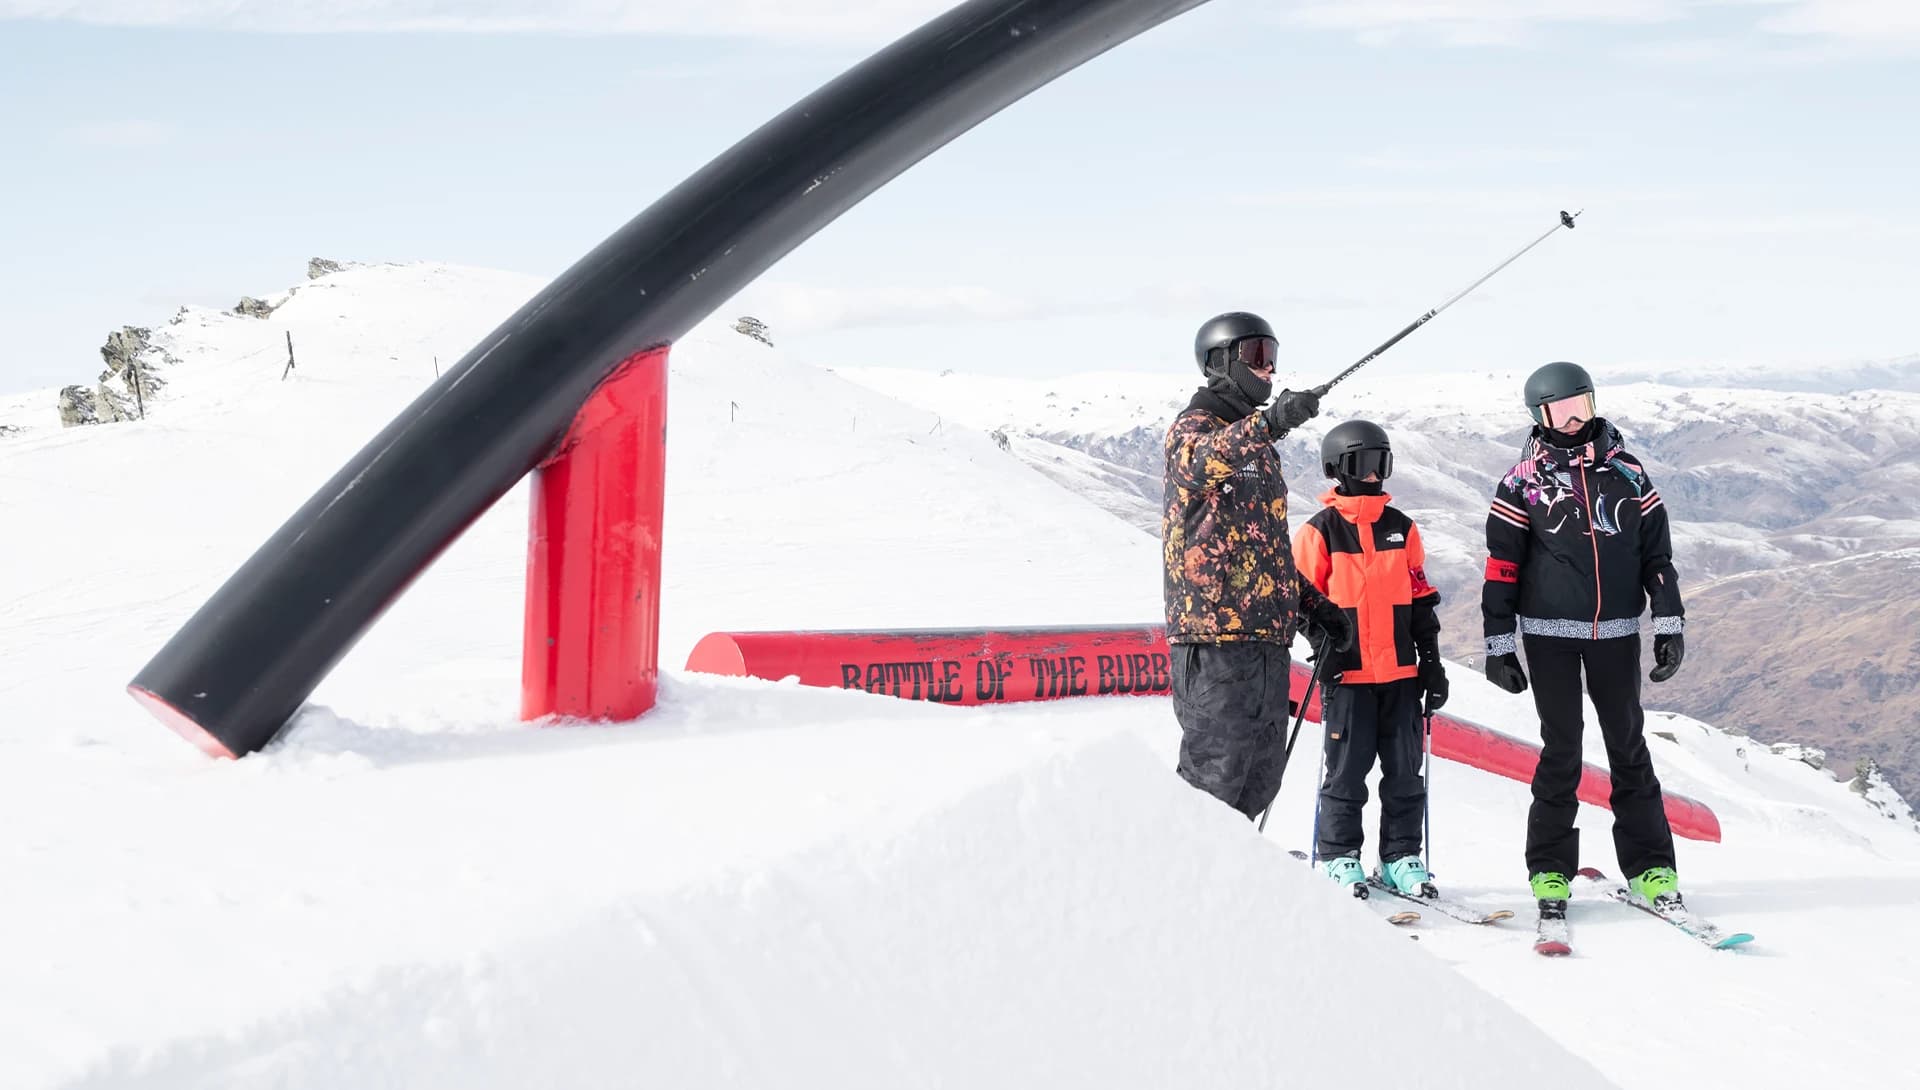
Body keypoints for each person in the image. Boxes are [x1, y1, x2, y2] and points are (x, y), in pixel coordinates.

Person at [1480, 361, 1687, 913]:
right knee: (1562, 749)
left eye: (1582, 408)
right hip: (1548, 635)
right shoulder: (1522, 481)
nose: (1573, 422)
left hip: (1616, 632)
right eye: (1560, 412)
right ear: (1538, 417)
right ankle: (1550, 870)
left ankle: (1652, 869)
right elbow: (1502, 565)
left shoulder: (1629, 473)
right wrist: (1499, 644)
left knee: (1628, 748)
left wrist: (1669, 623)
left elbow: (1656, 557)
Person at [1162, 311, 1350, 820]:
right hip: (1216, 641)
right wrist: (1270, 423)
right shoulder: (1194, 429)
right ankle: (1179, 888)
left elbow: (1262, 551)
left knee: (1259, 779)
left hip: (1265, 640)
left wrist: (1314, 611)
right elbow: (1200, 462)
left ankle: (1234, 890)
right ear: (1221, 363)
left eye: (1273, 356)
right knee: (1212, 782)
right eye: (1256, 356)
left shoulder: (1260, 452)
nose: (1268, 370)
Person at [1292, 420, 1447, 897]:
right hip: (1349, 674)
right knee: (1347, 772)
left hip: (1400, 674)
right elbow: (1298, 599)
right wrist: (1325, 650)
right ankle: (1339, 856)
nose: (1375, 475)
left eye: (1382, 463)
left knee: (1404, 773)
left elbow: (1420, 600)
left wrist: (1432, 663)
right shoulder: (1320, 532)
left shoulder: (1402, 529)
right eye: (1363, 464)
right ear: (1337, 468)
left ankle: (1401, 856)